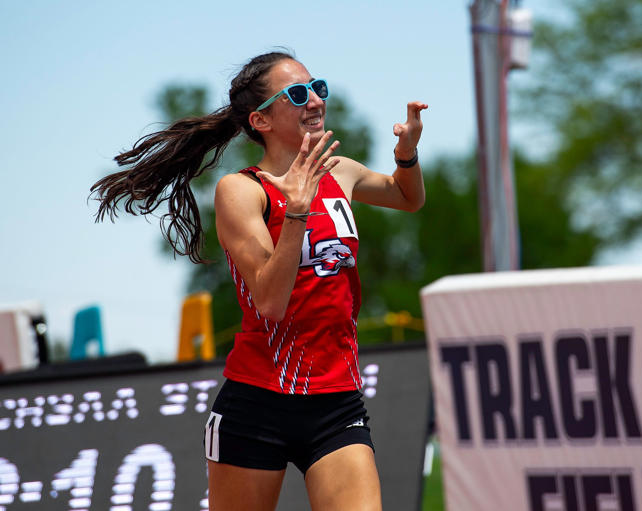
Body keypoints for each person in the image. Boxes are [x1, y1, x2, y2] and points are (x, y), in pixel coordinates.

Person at [90, 50, 427, 511]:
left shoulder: (340, 171)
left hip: (336, 400)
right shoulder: (242, 190)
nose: (314, 100)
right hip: (258, 402)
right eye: (297, 94)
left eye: (318, 88)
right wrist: (297, 212)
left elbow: (408, 199)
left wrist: (406, 155)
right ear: (261, 121)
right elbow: (269, 300)